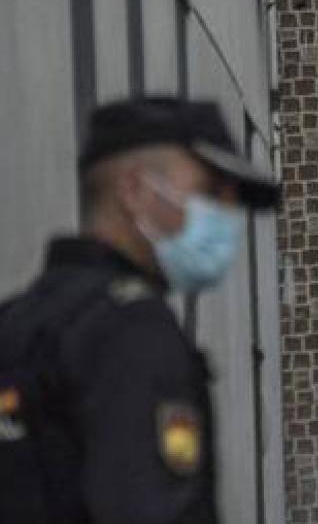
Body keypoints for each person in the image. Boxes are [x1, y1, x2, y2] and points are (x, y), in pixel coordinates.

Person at [0, 97, 280, 524]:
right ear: (134, 190)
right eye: (209, 193)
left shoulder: (19, 320)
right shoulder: (132, 333)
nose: (227, 218)